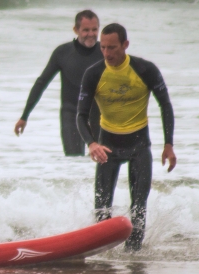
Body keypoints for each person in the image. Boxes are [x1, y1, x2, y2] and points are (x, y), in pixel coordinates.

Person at [76, 23, 177, 251]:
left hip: (139, 146)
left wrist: (168, 145)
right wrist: (91, 143)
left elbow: (166, 106)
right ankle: (102, 257)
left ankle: (133, 259)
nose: (107, 53)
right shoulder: (94, 73)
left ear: (125, 45)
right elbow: (80, 115)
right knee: (101, 209)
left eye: (112, 48)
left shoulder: (145, 70)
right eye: (103, 48)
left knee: (138, 207)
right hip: (107, 147)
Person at [14, 10, 104, 156]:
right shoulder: (63, 53)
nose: (91, 34)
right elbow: (41, 83)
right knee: (74, 161)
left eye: (95, 29)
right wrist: (25, 116)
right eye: (86, 30)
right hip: (71, 114)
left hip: (99, 116)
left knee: (101, 162)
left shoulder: (105, 52)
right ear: (76, 30)